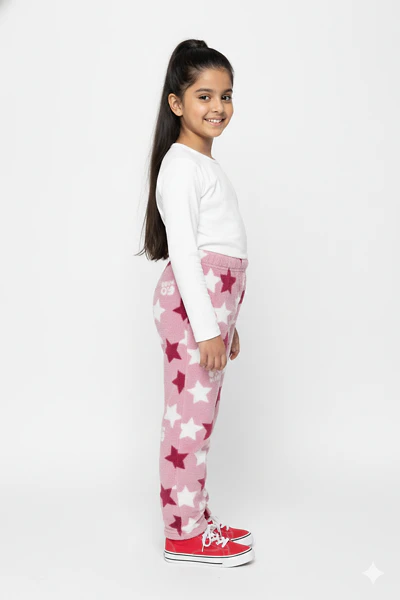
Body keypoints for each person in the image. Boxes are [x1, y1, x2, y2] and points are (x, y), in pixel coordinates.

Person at [136, 38, 255, 567]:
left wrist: (227, 324)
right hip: (193, 308)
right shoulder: (181, 165)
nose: (218, 107)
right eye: (204, 96)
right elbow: (186, 254)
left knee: (199, 420)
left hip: (208, 307)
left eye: (226, 96)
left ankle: (197, 519)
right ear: (176, 103)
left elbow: (219, 249)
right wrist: (207, 327)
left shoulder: (203, 164)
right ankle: (182, 533)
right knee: (189, 419)